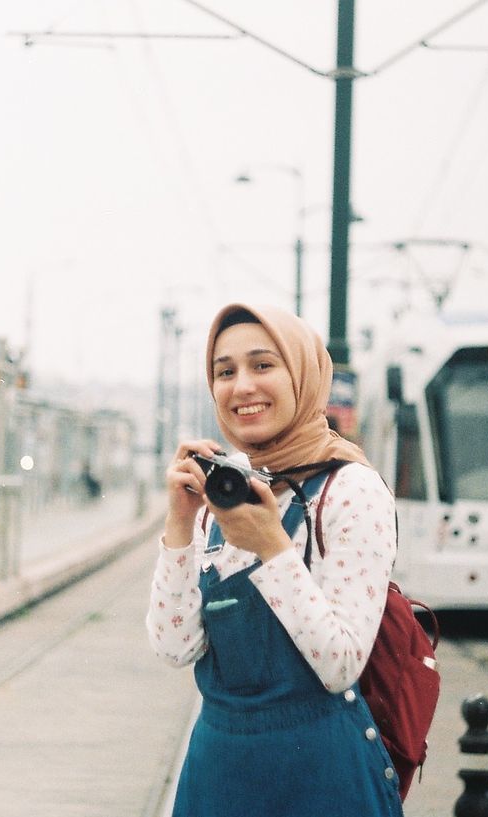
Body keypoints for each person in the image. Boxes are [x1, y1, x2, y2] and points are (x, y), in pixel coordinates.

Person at [147, 303, 403, 816]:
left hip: (322, 781)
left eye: (263, 365)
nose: (242, 386)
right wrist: (179, 523)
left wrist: (271, 547)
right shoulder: (222, 492)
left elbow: (340, 665)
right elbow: (175, 646)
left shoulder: (350, 490)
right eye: (225, 371)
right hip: (217, 777)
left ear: (303, 375)